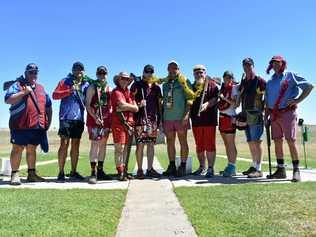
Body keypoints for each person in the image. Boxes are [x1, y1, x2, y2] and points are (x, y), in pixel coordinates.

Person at [265, 55, 313, 182]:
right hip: (274, 115)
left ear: (283, 63)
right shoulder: (270, 81)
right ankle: (281, 170)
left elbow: (309, 86)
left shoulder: (290, 75)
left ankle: (296, 170)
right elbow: (267, 101)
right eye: (273, 63)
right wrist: (266, 117)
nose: (275, 65)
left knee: (291, 141)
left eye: (277, 62)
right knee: (277, 141)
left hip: (288, 113)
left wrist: (298, 100)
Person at [5, 63, 52, 185]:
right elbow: (8, 99)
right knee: (17, 148)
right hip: (19, 124)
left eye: (35, 72)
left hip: (36, 125)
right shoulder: (18, 85)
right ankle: (14, 174)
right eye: (31, 72)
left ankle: (32, 174)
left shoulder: (41, 88)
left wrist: (48, 122)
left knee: (32, 149)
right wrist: (24, 93)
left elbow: (48, 105)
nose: (33, 74)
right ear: (25, 73)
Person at [52, 62, 89, 182]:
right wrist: (69, 91)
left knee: (76, 145)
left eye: (81, 69)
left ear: (84, 71)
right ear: (72, 70)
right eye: (76, 69)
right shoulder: (65, 81)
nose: (79, 71)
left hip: (79, 119)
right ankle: (61, 172)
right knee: (64, 144)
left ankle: (73, 171)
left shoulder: (86, 84)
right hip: (66, 118)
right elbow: (55, 95)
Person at [162, 61, 193, 177]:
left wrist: (186, 115)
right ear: (167, 69)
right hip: (168, 117)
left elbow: (190, 99)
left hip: (180, 117)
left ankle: (183, 166)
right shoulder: (164, 84)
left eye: (175, 68)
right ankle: (172, 166)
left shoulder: (184, 81)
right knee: (170, 142)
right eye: (170, 68)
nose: (172, 70)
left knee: (182, 141)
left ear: (178, 69)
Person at [130, 65, 162, 179]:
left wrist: (159, 121)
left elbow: (159, 105)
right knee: (140, 145)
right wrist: (139, 104)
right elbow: (130, 98)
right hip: (140, 120)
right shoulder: (137, 84)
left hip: (152, 121)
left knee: (151, 145)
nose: (149, 74)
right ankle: (139, 170)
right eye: (147, 71)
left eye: (151, 72)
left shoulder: (156, 87)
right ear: (143, 72)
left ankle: (150, 169)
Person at [239, 58, 266, 178]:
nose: (247, 67)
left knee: (257, 141)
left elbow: (267, 95)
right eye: (245, 66)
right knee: (250, 141)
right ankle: (254, 165)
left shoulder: (259, 80)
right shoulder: (244, 81)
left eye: (249, 65)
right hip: (245, 114)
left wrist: (264, 109)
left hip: (255, 114)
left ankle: (259, 169)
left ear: (253, 66)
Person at [190, 65, 219, 177]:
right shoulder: (192, 87)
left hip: (209, 121)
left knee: (210, 145)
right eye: (197, 73)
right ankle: (202, 167)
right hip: (196, 121)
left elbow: (216, 98)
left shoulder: (212, 86)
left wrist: (207, 104)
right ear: (194, 74)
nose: (199, 74)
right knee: (199, 145)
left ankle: (210, 168)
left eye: (201, 72)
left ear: (205, 73)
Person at [85, 66, 112, 184]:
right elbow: (87, 104)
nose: (102, 75)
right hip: (94, 120)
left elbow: (110, 105)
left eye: (104, 73)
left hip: (106, 120)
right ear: (96, 74)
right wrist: (95, 117)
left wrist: (109, 115)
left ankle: (100, 171)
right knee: (95, 144)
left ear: (107, 74)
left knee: (103, 145)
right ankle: (93, 172)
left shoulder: (109, 88)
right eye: (100, 73)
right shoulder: (92, 87)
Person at [111, 72, 138, 181]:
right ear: (118, 79)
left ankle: (125, 170)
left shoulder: (129, 93)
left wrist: (129, 107)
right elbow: (121, 105)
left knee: (126, 148)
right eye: (123, 78)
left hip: (130, 123)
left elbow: (136, 108)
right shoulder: (116, 92)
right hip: (119, 123)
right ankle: (120, 171)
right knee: (120, 148)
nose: (125, 80)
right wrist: (132, 107)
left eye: (127, 79)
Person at [218, 71, 239, 177]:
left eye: (230, 77)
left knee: (231, 143)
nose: (228, 79)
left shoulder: (234, 88)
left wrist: (224, 98)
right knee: (226, 144)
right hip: (221, 117)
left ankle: (232, 167)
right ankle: (229, 165)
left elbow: (235, 104)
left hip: (230, 117)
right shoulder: (222, 88)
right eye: (226, 77)